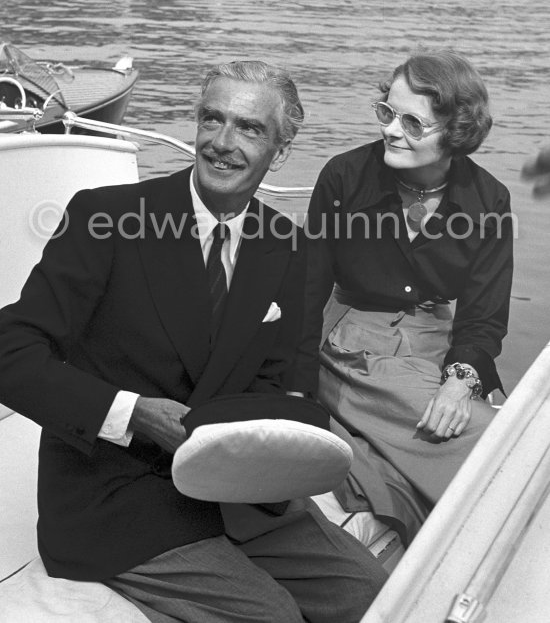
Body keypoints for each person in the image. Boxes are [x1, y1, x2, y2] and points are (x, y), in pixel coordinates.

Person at [0, 60, 386, 623]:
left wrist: (293, 442)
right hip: (115, 494)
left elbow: (292, 385)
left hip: (238, 491)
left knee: (368, 591)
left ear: (280, 151)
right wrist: (130, 413)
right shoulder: (105, 218)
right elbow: (10, 352)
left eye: (249, 128)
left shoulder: (292, 247)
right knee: (270, 614)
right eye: (212, 119)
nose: (222, 143)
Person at [296, 50, 514, 545]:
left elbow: (484, 317)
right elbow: (307, 291)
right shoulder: (344, 178)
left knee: (477, 422)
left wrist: (460, 381)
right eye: (387, 113)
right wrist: (295, 387)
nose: (392, 130)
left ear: (456, 131)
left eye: (413, 122)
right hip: (352, 344)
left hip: (440, 345)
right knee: (495, 446)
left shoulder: (490, 200)